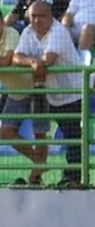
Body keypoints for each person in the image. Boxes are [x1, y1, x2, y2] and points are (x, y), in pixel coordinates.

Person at [13, 1, 86, 187]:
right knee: (40, 133)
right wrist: (33, 62)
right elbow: (16, 57)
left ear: (51, 17)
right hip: (47, 91)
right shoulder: (28, 32)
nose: (37, 20)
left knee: (72, 136)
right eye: (33, 16)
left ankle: (73, 178)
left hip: (71, 92)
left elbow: (49, 60)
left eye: (41, 16)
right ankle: (37, 176)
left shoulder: (59, 32)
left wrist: (35, 64)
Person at [0, 10, 49, 186]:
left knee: (40, 133)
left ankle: (36, 178)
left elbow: (6, 60)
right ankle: (39, 162)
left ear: (2, 23)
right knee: (5, 131)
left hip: (34, 86)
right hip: (14, 91)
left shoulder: (12, 33)